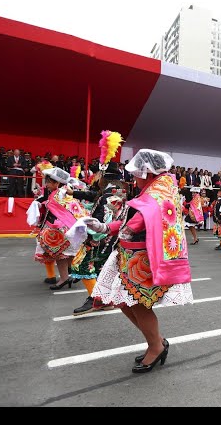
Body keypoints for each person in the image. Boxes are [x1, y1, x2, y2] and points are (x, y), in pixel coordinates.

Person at [86, 148, 193, 374]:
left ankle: (156, 346)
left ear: (147, 172)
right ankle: (156, 341)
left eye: (136, 173)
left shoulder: (159, 193)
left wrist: (123, 228)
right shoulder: (150, 192)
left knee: (137, 304)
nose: (133, 178)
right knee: (125, 302)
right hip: (128, 257)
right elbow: (129, 221)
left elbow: (140, 221)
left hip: (142, 260)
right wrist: (104, 227)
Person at [69, 160, 126, 315]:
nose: (95, 178)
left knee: (81, 264)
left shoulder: (109, 194)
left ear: (104, 176)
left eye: (97, 175)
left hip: (102, 238)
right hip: (112, 238)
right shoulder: (117, 190)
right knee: (101, 269)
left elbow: (105, 218)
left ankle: (96, 299)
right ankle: (105, 300)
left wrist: (92, 235)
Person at [34, 167, 89, 290]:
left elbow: (64, 210)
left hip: (61, 229)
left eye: (48, 182)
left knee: (60, 255)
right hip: (67, 229)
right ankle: (68, 276)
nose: (46, 185)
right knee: (66, 255)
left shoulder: (62, 193)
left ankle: (64, 278)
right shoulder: (62, 192)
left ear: (56, 183)